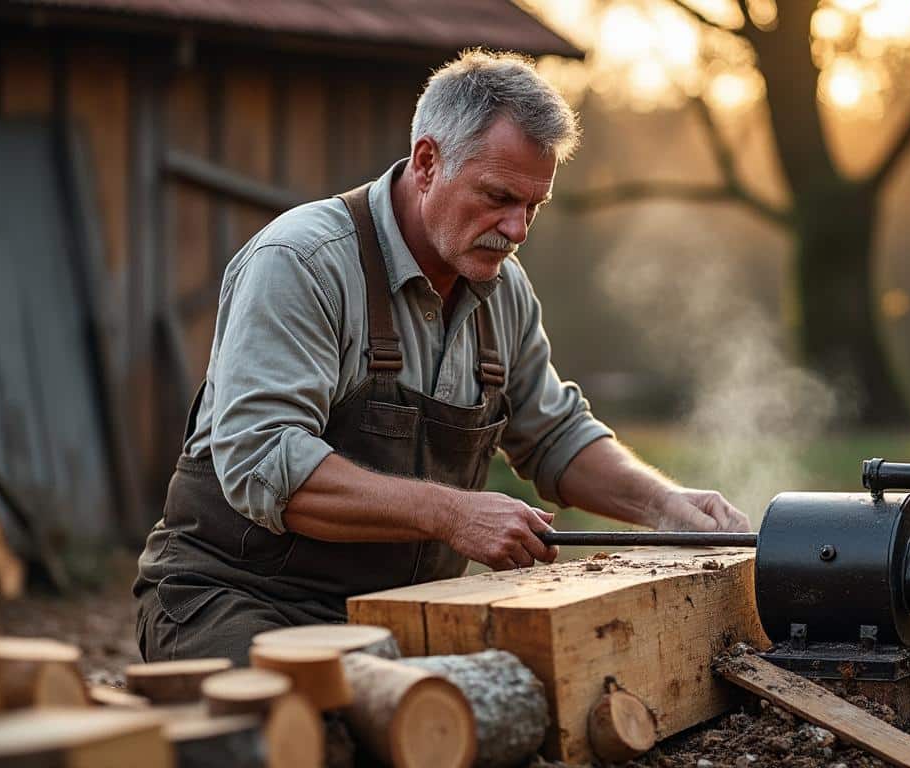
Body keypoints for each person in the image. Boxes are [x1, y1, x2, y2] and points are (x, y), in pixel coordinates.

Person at [133, 49, 750, 665]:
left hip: (402, 616)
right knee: (330, 714)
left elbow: (554, 435)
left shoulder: (503, 291)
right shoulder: (302, 264)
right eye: (499, 196)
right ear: (428, 162)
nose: (517, 230)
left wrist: (664, 505)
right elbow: (266, 463)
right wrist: (454, 514)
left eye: (533, 206)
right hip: (239, 599)